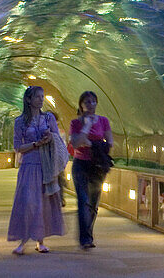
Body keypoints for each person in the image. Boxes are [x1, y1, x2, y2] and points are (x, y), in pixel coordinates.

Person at [8, 86, 66, 255]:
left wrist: (49, 137)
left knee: (43, 203)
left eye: (42, 96)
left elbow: (57, 139)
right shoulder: (20, 121)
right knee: (27, 203)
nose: (41, 99)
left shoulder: (48, 118)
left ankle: (41, 241)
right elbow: (18, 147)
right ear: (28, 99)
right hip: (28, 166)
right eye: (37, 97)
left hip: (45, 166)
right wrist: (35, 144)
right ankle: (22, 240)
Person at [69, 90, 112, 250]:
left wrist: (90, 143)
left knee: (93, 203)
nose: (90, 104)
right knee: (83, 201)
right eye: (86, 101)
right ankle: (85, 238)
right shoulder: (76, 123)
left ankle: (89, 232)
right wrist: (86, 126)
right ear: (81, 104)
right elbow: (76, 143)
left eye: (93, 101)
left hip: (98, 166)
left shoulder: (104, 121)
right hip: (80, 164)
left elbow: (110, 142)